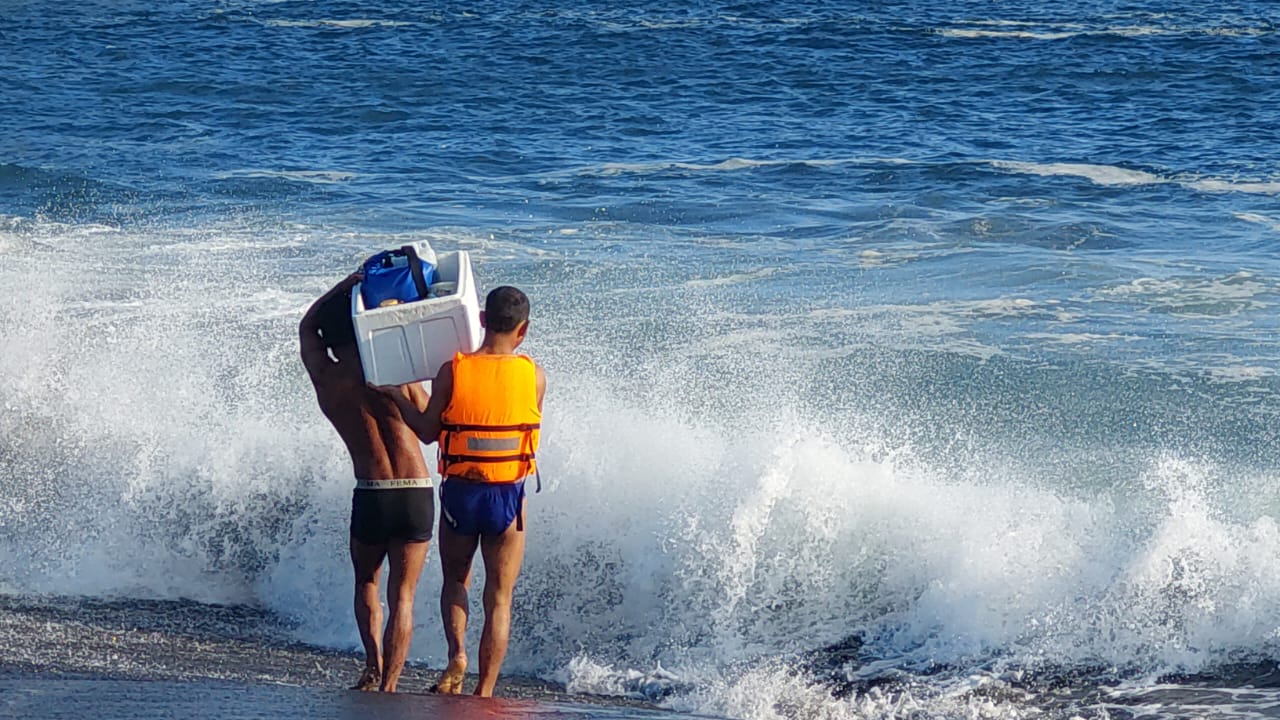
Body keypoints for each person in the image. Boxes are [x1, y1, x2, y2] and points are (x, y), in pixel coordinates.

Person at [379, 286, 546, 698]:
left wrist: (398, 396)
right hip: (507, 498)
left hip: (461, 496)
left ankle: (457, 653)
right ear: (522, 331)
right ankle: (485, 692)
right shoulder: (535, 376)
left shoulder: (453, 371)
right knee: (500, 598)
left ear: (483, 321)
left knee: (457, 580)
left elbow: (427, 431)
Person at [299, 271, 435, 693]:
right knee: (404, 596)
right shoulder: (395, 373)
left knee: (367, 583)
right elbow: (431, 429)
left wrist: (343, 286)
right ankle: (391, 684)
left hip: (371, 493)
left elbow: (306, 327)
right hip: (415, 491)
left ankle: (372, 667)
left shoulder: (327, 378)